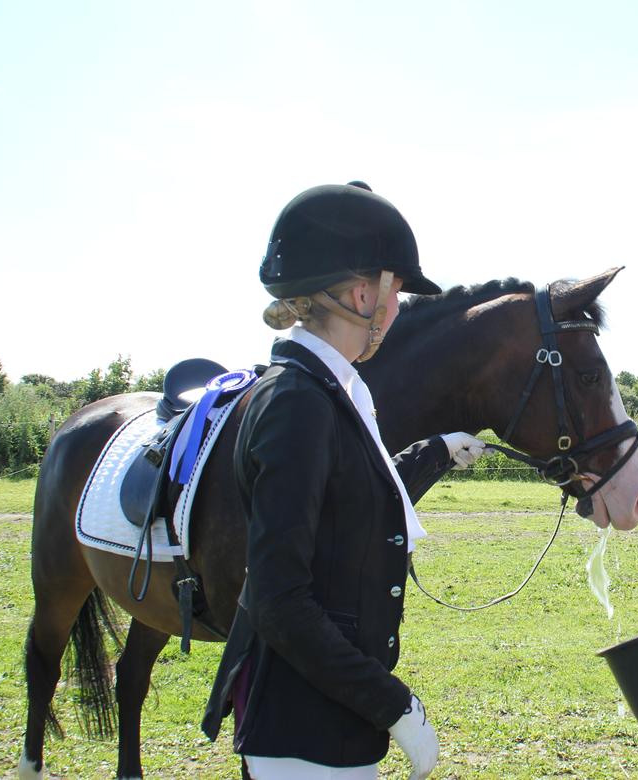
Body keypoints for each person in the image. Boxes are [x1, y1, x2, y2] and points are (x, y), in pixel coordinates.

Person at [201, 181, 487, 780]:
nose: (398, 307)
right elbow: (280, 600)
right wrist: (395, 706)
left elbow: (354, 497)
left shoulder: (332, 390)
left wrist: (435, 452)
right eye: (396, 291)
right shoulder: (298, 402)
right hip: (301, 730)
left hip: (330, 717)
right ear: (363, 294)